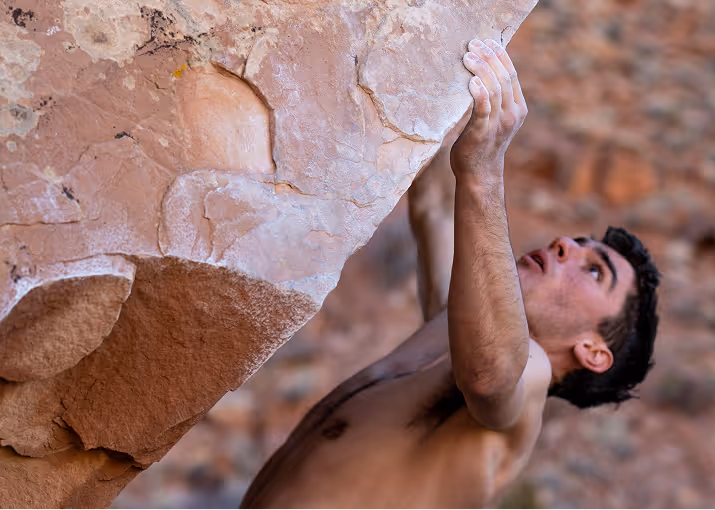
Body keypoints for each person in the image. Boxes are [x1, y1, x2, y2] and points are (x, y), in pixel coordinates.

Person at [240, 38, 660, 510]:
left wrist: (483, 172)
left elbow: (490, 379)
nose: (565, 245)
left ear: (592, 351)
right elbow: (435, 207)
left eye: (593, 271)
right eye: (576, 244)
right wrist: (424, 77)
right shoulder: (449, 332)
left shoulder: (531, 379)